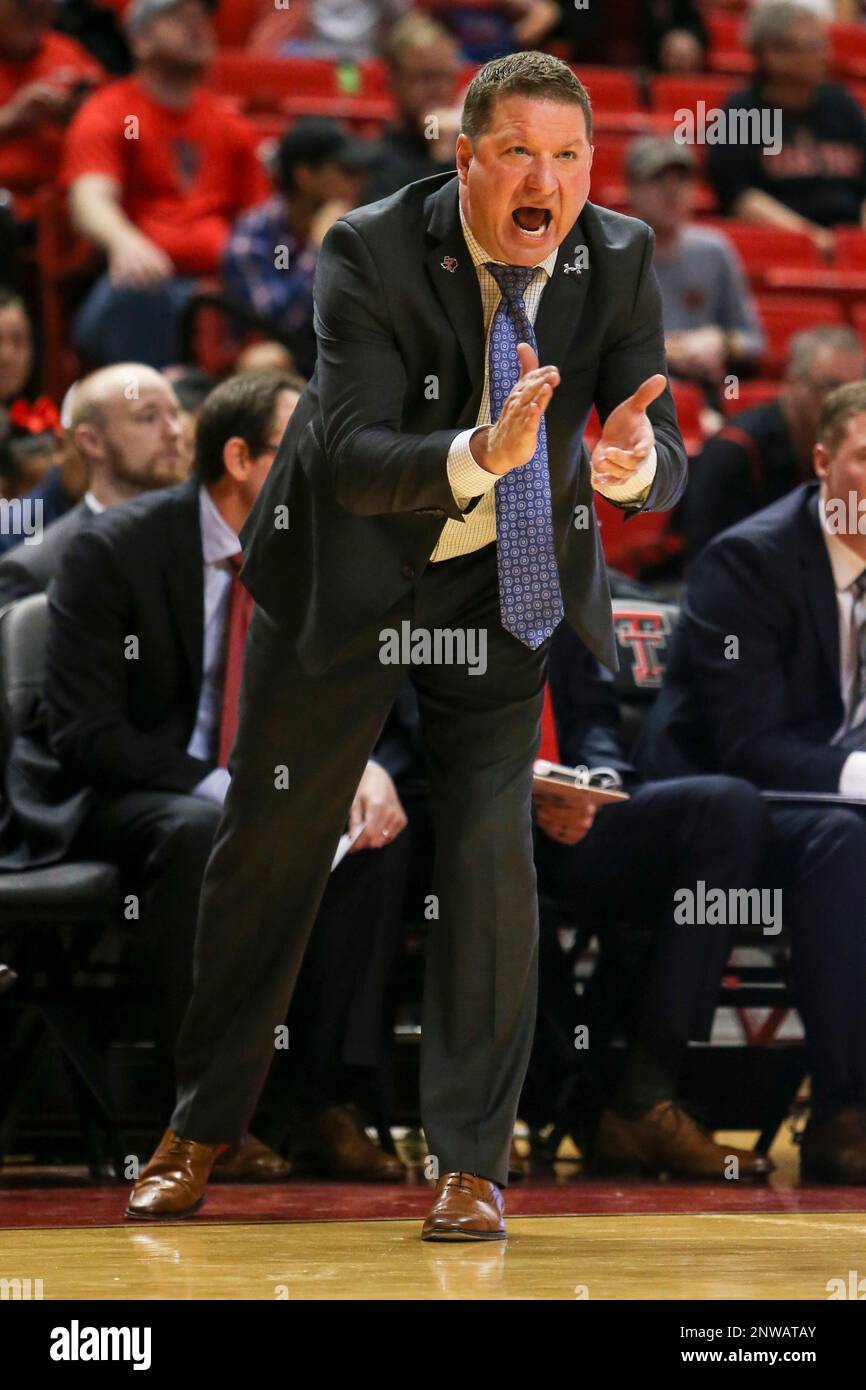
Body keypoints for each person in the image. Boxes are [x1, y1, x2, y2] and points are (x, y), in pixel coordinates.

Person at [127, 50, 687, 1240]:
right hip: (347, 571)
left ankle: (471, 1163)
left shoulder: (618, 255)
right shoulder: (368, 249)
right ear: (466, 157)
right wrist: (481, 453)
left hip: (501, 579)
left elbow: (649, 428)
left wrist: (635, 466)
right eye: (520, 153)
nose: (547, 178)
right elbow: (348, 453)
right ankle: (197, 1123)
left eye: (570, 155)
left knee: (490, 851)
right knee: (273, 844)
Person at [36, 371, 410, 1180]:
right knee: (208, 830)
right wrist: (225, 787)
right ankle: (201, 1118)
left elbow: (352, 692)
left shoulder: (324, 550)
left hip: (257, 784)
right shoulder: (116, 550)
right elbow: (85, 734)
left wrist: (361, 767)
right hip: (126, 796)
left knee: (375, 830)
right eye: (305, 451)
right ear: (241, 459)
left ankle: (323, 1105)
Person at [640, 381, 866, 1183]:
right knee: (846, 840)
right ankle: (845, 1112)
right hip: (716, 813)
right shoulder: (751, 560)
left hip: (833, 815)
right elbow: (749, 747)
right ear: (821, 462)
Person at [531, 623, 772, 1179]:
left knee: (728, 807)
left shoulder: (539, 563)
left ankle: (645, 1096)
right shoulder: (428, 565)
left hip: (569, 815)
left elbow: (593, 720)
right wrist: (519, 791)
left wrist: (597, 786)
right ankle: (510, 1113)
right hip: (463, 807)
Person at [62, 0, 269, 368]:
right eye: (177, 16)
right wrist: (124, 241)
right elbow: (89, 198)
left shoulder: (231, 124)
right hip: (142, 288)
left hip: (220, 291)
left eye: (201, 15)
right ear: (140, 39)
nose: (197, 25)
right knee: (138, 293)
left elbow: (261, 221)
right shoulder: (110, 111)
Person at [0, 362, 187, 602]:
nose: (174, 431)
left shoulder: (213, 543)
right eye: (148, 417)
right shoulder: (37, 570)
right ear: (92, 442)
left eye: (175, 414)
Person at [683, 326, 866, 559]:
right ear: (792, 383)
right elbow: (707, 563)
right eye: (831, 388)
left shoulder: (849, 454)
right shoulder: (734, 449)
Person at [707, 3, 866, 256]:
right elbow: (740, 197)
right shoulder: (740, 112)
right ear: (772, 55)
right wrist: (813, 239)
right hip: (780, 248)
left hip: (852, 244)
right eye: (812, 46)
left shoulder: (842, 104)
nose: (825, 55)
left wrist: (858, 241)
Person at [223, 118, 374, 379]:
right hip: (283, 363)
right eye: (347, 171)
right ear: (304, 176)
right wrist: (321, 250)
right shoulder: (254, 235)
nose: (359, 181)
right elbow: (278, 321)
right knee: (267, 360)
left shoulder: (362, 224)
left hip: (342, 355)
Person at [626, 135, 765, 396]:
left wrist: (723, 342)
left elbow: (754, 341)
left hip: (705, 391)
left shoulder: (714, 250)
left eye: (681, 179)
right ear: (632, 189)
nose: (672, 191)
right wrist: (669, 348)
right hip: (634, 390)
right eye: (658, 180)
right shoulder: (613, 253)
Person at [0, 0, 103, 225]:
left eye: (44, 6)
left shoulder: (68, 51)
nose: (35, 14)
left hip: (68, 198)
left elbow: (129, 125)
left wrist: (86, 118)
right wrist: (10, 118)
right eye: (23, 6)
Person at [362, 13, 461, 205]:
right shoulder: (376, 161)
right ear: (394, 81)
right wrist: (442, 156)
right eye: (426, 77)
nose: (438, 89)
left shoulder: (471, 151)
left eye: (446, 76)